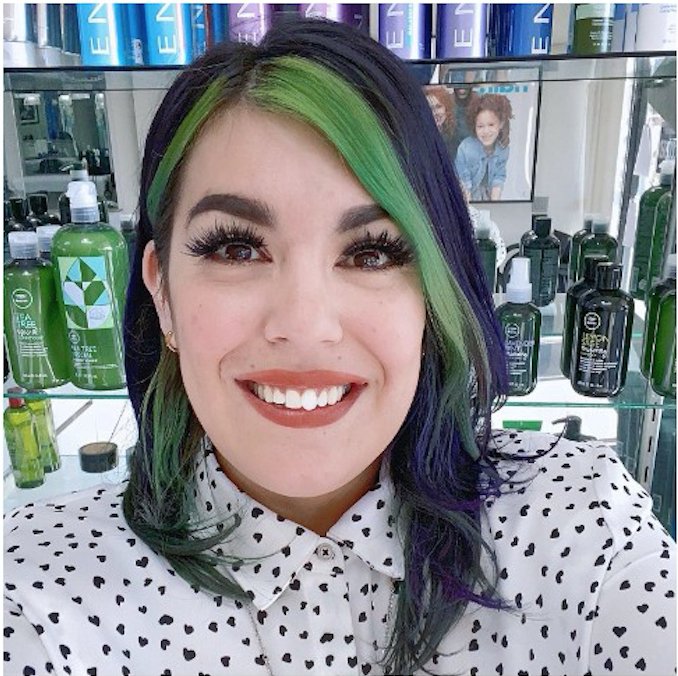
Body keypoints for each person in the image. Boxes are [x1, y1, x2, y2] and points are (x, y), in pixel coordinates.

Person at [4, 18, 675, 676]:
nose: (305, 326)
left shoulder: (581, 527)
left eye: (371, 253)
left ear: (433, 293)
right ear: (162, 292)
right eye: (236, 248)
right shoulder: (37, 594)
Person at [455, 93, 513, 202]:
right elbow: (463, 182)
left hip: (487, 197)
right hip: (467, 197)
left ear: (501, 124)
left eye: (491, 125)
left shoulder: (503, 149)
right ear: (474, 126)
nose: (486, 131)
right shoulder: (465, 149)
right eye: (480, 126)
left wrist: (495, 204)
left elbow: (499, 177)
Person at [423, 85, 456, 161]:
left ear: (446, 109)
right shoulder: (419, 138)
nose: (434, 113)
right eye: (429, 108)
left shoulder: (454, 137)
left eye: (438, 106)